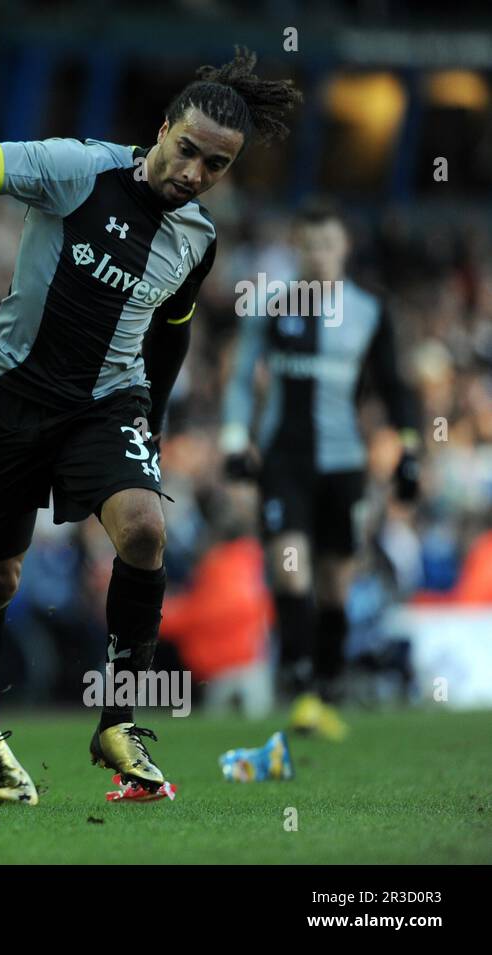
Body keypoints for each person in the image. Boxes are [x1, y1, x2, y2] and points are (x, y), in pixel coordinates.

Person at [0, 47, 301, 801]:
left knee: (144, 530)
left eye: (217, 166)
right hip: (5, 405)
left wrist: (156, 423)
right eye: (189, 151)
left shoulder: (196, 238)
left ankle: (118, 719)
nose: (197, 173)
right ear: (163, 129)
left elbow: (172, 331)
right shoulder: (79, 170)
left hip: (106, 406)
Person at [220, 199, 420, 739]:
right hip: (284, 460)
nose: (320, 255)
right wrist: (236, 439)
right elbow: (241, 377)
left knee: (335, 583)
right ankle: (302, 687)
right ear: (298, 249)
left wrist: (409, 448)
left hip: (344, 464)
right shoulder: (271, 304)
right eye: (310, 245)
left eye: (329, 245)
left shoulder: (369, 311)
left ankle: (326, 688)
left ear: (344, 249)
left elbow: (395, 387)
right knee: (290, 568)